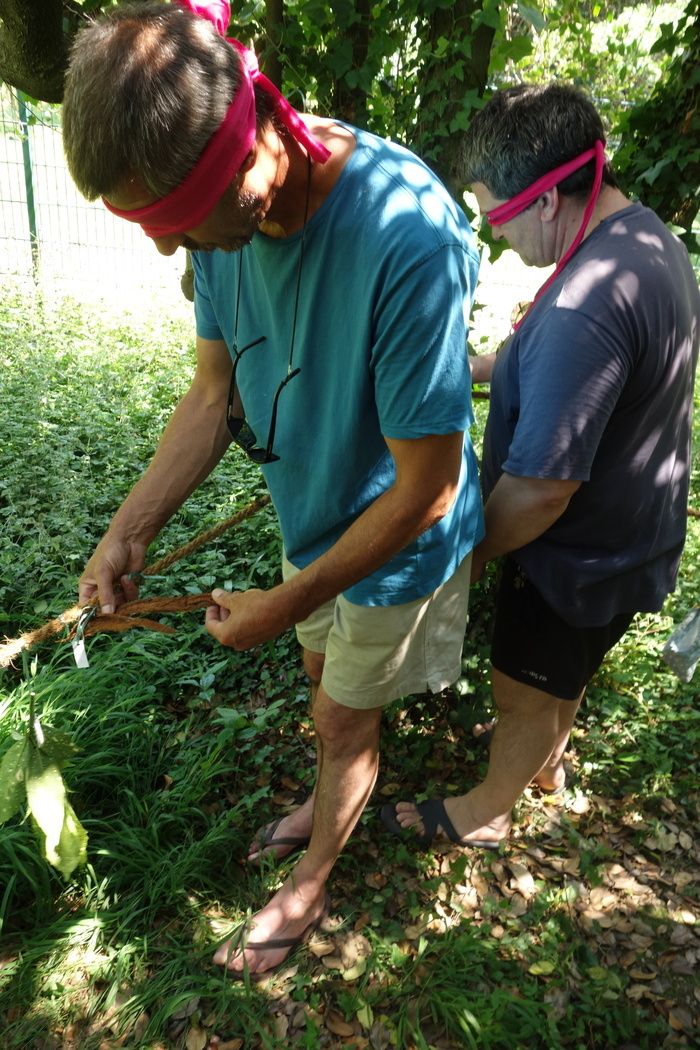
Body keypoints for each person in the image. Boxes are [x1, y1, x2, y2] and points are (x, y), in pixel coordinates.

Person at [61, 1, 484, 976]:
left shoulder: (404, 233)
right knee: (316, 684)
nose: (173, 251)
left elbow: (426, 485)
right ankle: (329, 778)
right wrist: (130, 527)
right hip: (311, 511)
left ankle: (313, 879)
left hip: (392, 542)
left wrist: (286, 600)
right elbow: (213, 392)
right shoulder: (225, 235)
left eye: (178, 223)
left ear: (255, 140)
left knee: (344, 712)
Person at [383, 83, 700, 852]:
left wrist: (464, 554)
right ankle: (548, 764)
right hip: (632, 536)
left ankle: (486, 809)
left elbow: (540, 491)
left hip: (571, 561)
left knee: (521, 690)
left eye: (496, 215)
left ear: (550, 201)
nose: (494, 237)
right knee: (565, 673)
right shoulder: (643, 238)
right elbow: (563, 364)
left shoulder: (582, 306)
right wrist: (467, 368)